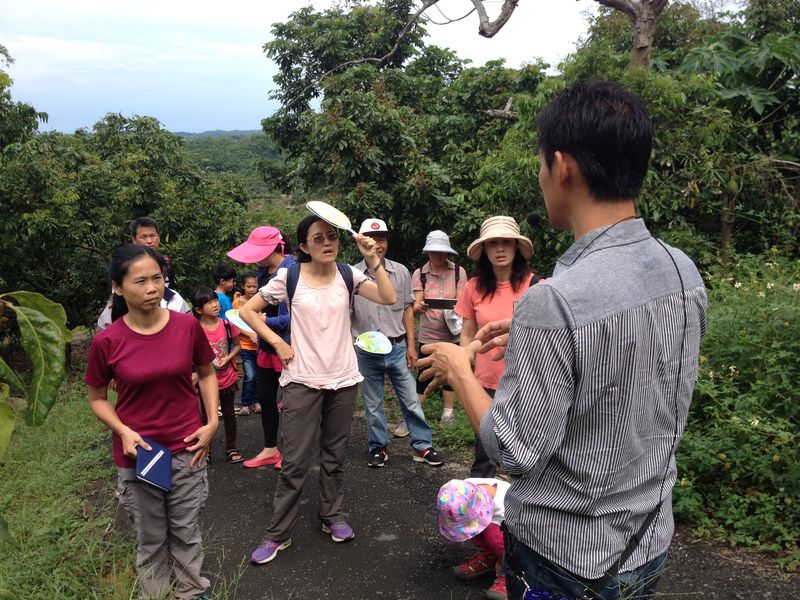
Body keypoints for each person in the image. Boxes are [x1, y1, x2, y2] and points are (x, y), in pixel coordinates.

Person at [418, 80, 707, 600]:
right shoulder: (681, 270)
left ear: (563, 166)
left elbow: (513, 452)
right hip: (647, 543)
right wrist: (536, 333)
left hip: (567, 560)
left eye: (541, 165)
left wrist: (460, 371)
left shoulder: (555, 301)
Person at [239, 214, 396, 565]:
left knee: (334, 456)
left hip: (343, 378)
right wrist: (277, 343)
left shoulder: (348, 274)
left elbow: (388, 296)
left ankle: (333, 516)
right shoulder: (289, 277)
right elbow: (248, 312)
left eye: (332, 237)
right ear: (304, 246)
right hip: (302, 380)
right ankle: (277, 534)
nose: (327, 243)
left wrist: (373, 259)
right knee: (294, 461)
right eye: (318, 238)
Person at [84, 244, 218, 600]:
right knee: (151, 537)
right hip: (139, 454)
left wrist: (212, 421)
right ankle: (155, 594)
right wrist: (124, 431)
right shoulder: (107, 341)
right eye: (140, 281)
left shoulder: (187, 326)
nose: (152, 288)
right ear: (117, 287)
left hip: (187, 448)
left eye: (157, 279)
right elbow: (97, 398)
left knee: (186, 531)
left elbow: (206, 373)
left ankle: (192, 592)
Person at [350, 218, 443, 469]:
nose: (377, 244)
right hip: (365, 351)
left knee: (411, 399)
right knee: (372, 403)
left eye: (381, 239)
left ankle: (422, 445)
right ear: (360, 241)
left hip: (397, 346)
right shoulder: (352, 274)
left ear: (387, 242)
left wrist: (411, 346)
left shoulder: (400, 271)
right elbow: (346, 314)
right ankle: (378, 447)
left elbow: (407, 310)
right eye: (371, 238)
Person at [456, 216, 535, 479]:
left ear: (516, 248)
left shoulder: (537, 287)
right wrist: (463, 371)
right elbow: (466, 334)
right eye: (493, 244)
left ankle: (520, 518)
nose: (500, 249)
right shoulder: (473, 288)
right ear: (485, 250)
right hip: (485, 384)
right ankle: (478, 517)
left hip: (525, 383)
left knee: (525, 459)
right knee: (483, 459)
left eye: (506, 243)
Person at [227, 226, 295, 469]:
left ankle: (291, 452)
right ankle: (270, 449)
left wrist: (265, 322)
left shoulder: (292, 269)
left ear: (273, 248)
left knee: (292, 403)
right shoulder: (262, 270)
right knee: (266, 398)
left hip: (287, 346)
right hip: (266, 346)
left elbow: (292, 318)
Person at [411, 230, 468, 427]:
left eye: (442, 251)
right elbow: (416, 304)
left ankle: (448, 414)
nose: (438, 255)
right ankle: (414, 415)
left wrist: (453, 305)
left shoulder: (459, 272)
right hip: (428, 333)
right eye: (434, 251)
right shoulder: (420, 274)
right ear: (428, 252)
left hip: (452, 331)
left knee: (450, 374)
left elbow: (463, 301)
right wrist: (420, 306)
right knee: (423, 374)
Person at [191, 286, 243, 464]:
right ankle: (206, 450)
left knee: (229, 414)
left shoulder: (227, 324)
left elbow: (237, 345)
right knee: (206, 417)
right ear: (198, 309)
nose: (215, 305)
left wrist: (227, 358)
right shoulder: (195, 330)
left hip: (226, 377)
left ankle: (231, 448)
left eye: (215, 301)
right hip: (206, 381)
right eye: (209, 303)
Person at [437, 478, 511, 600]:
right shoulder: (464, 489)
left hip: (516, 538)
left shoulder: (507, 504)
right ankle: (489, 557)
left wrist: (504, 560)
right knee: (471, 529)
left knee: (495, 536)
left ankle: (509, 573)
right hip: (492, 520)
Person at [233, 271, 261, 416]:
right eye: (248, 286)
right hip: (245, 345)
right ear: (243, 286)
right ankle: (245, 403)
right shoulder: (237, 302)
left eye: (254, 286)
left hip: (259, 345)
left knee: (257, 376)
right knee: (249, 375)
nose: (251, 289)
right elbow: (235, 324)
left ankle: (256, 402)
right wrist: (250, 334)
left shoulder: (261, 300)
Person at [130, 216, 176, 288]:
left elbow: (172, 291)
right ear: (134, 240)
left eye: (152, 236)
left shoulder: (166, 262)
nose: (149, 241)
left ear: (158, 237)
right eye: (144, 237)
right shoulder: (126, 264)